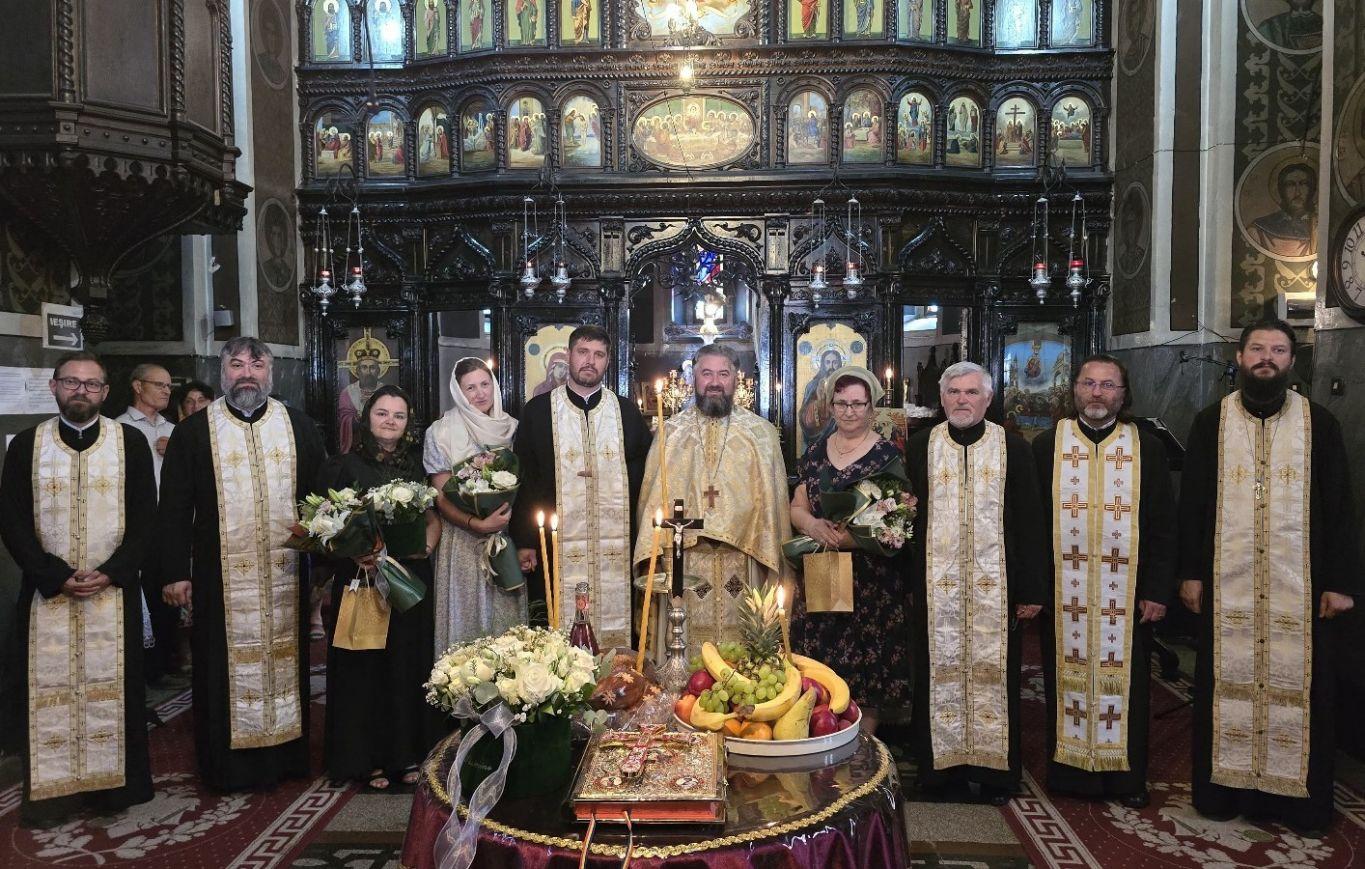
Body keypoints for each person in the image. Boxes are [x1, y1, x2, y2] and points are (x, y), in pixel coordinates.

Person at [1178, 318, 1359, 836]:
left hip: (1300, 589)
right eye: (1257, 348)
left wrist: (1341, 582)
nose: (1266, 358)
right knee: (1224, 682)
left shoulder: (1319, 423)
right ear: (1239, 357)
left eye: (1278, 350)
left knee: (1302, 688)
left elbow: (1341, 506)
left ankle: (1298, 802)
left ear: (1291, 361)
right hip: (1227, 582)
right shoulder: (1211, 422)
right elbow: (1193, 504)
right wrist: (1190, 573)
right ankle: (1223, 792)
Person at [159, 337, 326, 792]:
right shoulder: (195, 432)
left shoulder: (298, 426)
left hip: (287, 573)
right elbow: (174, 508)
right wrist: (174, 572)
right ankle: (227, 766)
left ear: (271, 372)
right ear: (222, 373)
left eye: (256, 365)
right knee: (220, 667)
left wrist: (323, 557)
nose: (247, 374)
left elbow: (320, 499)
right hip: (219, 576)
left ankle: (286, 757)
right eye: (237, 365)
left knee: (288, 660)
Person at [0, 351, 156, 826]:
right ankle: (54, 795)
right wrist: (52, 575)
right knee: (46, 691)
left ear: (105, 392)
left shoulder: (128, 441)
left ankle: (113, 789)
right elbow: (12, 520)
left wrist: (113, 571)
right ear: (54, 387)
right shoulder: (27, 445)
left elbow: (145, 517)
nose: (80, 391)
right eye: (71, 382)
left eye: (91, 384)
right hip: (47, 594)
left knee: (117, 689)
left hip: (113, 591)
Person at [1031, 355, 1177, 809]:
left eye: (1108, 385)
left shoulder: (1147, 447)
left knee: (1129, 684)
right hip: (1065, 593)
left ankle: (1125, 778)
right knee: (1064, 680)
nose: (1097, 392)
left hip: (1127, 592)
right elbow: (1033, 526)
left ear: (1123, 394)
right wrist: (1036, 589)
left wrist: (1157, 590)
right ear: (1074, 389)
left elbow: (1164, 525)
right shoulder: (1048, 445)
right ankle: (1070, 771)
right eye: (1088, 383)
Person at [905, 361, 1046, 805]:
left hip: (997, 588)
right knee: (935, 674)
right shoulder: (921, 446)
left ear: (988, 399)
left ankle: (994, 775)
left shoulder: (1013, 448)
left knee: (995, 675)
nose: (962, 400)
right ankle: (939, 774)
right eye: (954, 392)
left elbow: (1031, 520)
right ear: (941, 398)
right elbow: (905, 519)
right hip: (935, 589)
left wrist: (1031, 590)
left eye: (971, 392)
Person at [317, 385, 441, 790]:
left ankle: (405, 755)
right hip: (363, 579)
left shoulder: (416, 466)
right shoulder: (343, 465)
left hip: (408, 579)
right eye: (382, 413)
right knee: (364, 669)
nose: (390, 421)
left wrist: (426, 548)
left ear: (408, 423)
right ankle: (365, 760)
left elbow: (432, 518)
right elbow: (325, 526)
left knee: (406, 666)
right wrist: (354, 551)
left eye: (399, 415)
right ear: (367, 417)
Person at [632, 343, 792, 651]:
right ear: (693, 378)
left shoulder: (761, 433)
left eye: (723, 374)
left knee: (745, 644)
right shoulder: (671, 432)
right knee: (683, 644)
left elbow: (774, 507)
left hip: (744, 559)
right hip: (684, 559)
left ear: (736, 379)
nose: (715, 382)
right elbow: (652, 501)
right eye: (706, 373)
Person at [789, 367, 912, 734]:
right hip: (822, 573)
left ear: (871, 408)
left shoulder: (887, 454)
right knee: (821, 665)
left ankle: (862, 750)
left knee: (868, 669)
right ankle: (822, 740)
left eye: (858, 403)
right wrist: (812, 525)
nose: (849, 411)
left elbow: (897, 521)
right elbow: (797, 506)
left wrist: (847, 539)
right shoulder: (815, 452)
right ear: (830, 406)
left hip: (872, 582)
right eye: (841, 403)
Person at [512, 325, 650, 647]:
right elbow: (526, 478)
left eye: (599, 355)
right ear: (569, 356)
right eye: (583, 352)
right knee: (553, 630)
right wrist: (525, 540)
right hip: (554, 542)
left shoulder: (625, 412)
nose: (590, 361)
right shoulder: (538, 411)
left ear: (607, 362)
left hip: (615, 545)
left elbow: (644, 477)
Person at [424, 358, 522, 653]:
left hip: (504, 536)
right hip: (462, 541)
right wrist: (476, 523)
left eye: (485, 384)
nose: (480, 393)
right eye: (470, 388)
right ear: (458, 392)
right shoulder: (440, 432)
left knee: (506, 629)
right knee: (465, 627)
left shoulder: (513, 428)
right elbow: (441, 496)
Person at [116, 363, 180, 681]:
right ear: (138, 386)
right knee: (143, 593)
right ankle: (145, 667)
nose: (166, 391)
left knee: (171, 590)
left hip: (171, 524)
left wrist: (176, 452)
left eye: (169, 386)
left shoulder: (175, 430)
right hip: (136, 525)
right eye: (159, 385)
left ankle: (169, 661)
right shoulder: (119, 428)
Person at [1247, 161, 1317, 259]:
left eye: (1304, 184)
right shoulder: (1259, 229)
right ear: (1281, 191)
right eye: (1290, 185)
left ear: (1312, 190)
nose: (1297, 192)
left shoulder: (1319, 227)